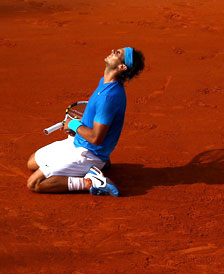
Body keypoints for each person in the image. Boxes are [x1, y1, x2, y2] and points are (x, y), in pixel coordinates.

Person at [27, 47, 145, 196]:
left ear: (122, 67)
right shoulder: (105, 82)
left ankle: (90, 182)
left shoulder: (109, 97)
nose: (113, 50)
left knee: (35, 183)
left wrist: (74, 124)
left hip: (87, 153)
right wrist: (77, 126)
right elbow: (96, 118)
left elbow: (96, 137)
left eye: (118, 53)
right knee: (32, 163)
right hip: (79, 142)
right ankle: (100, 164)